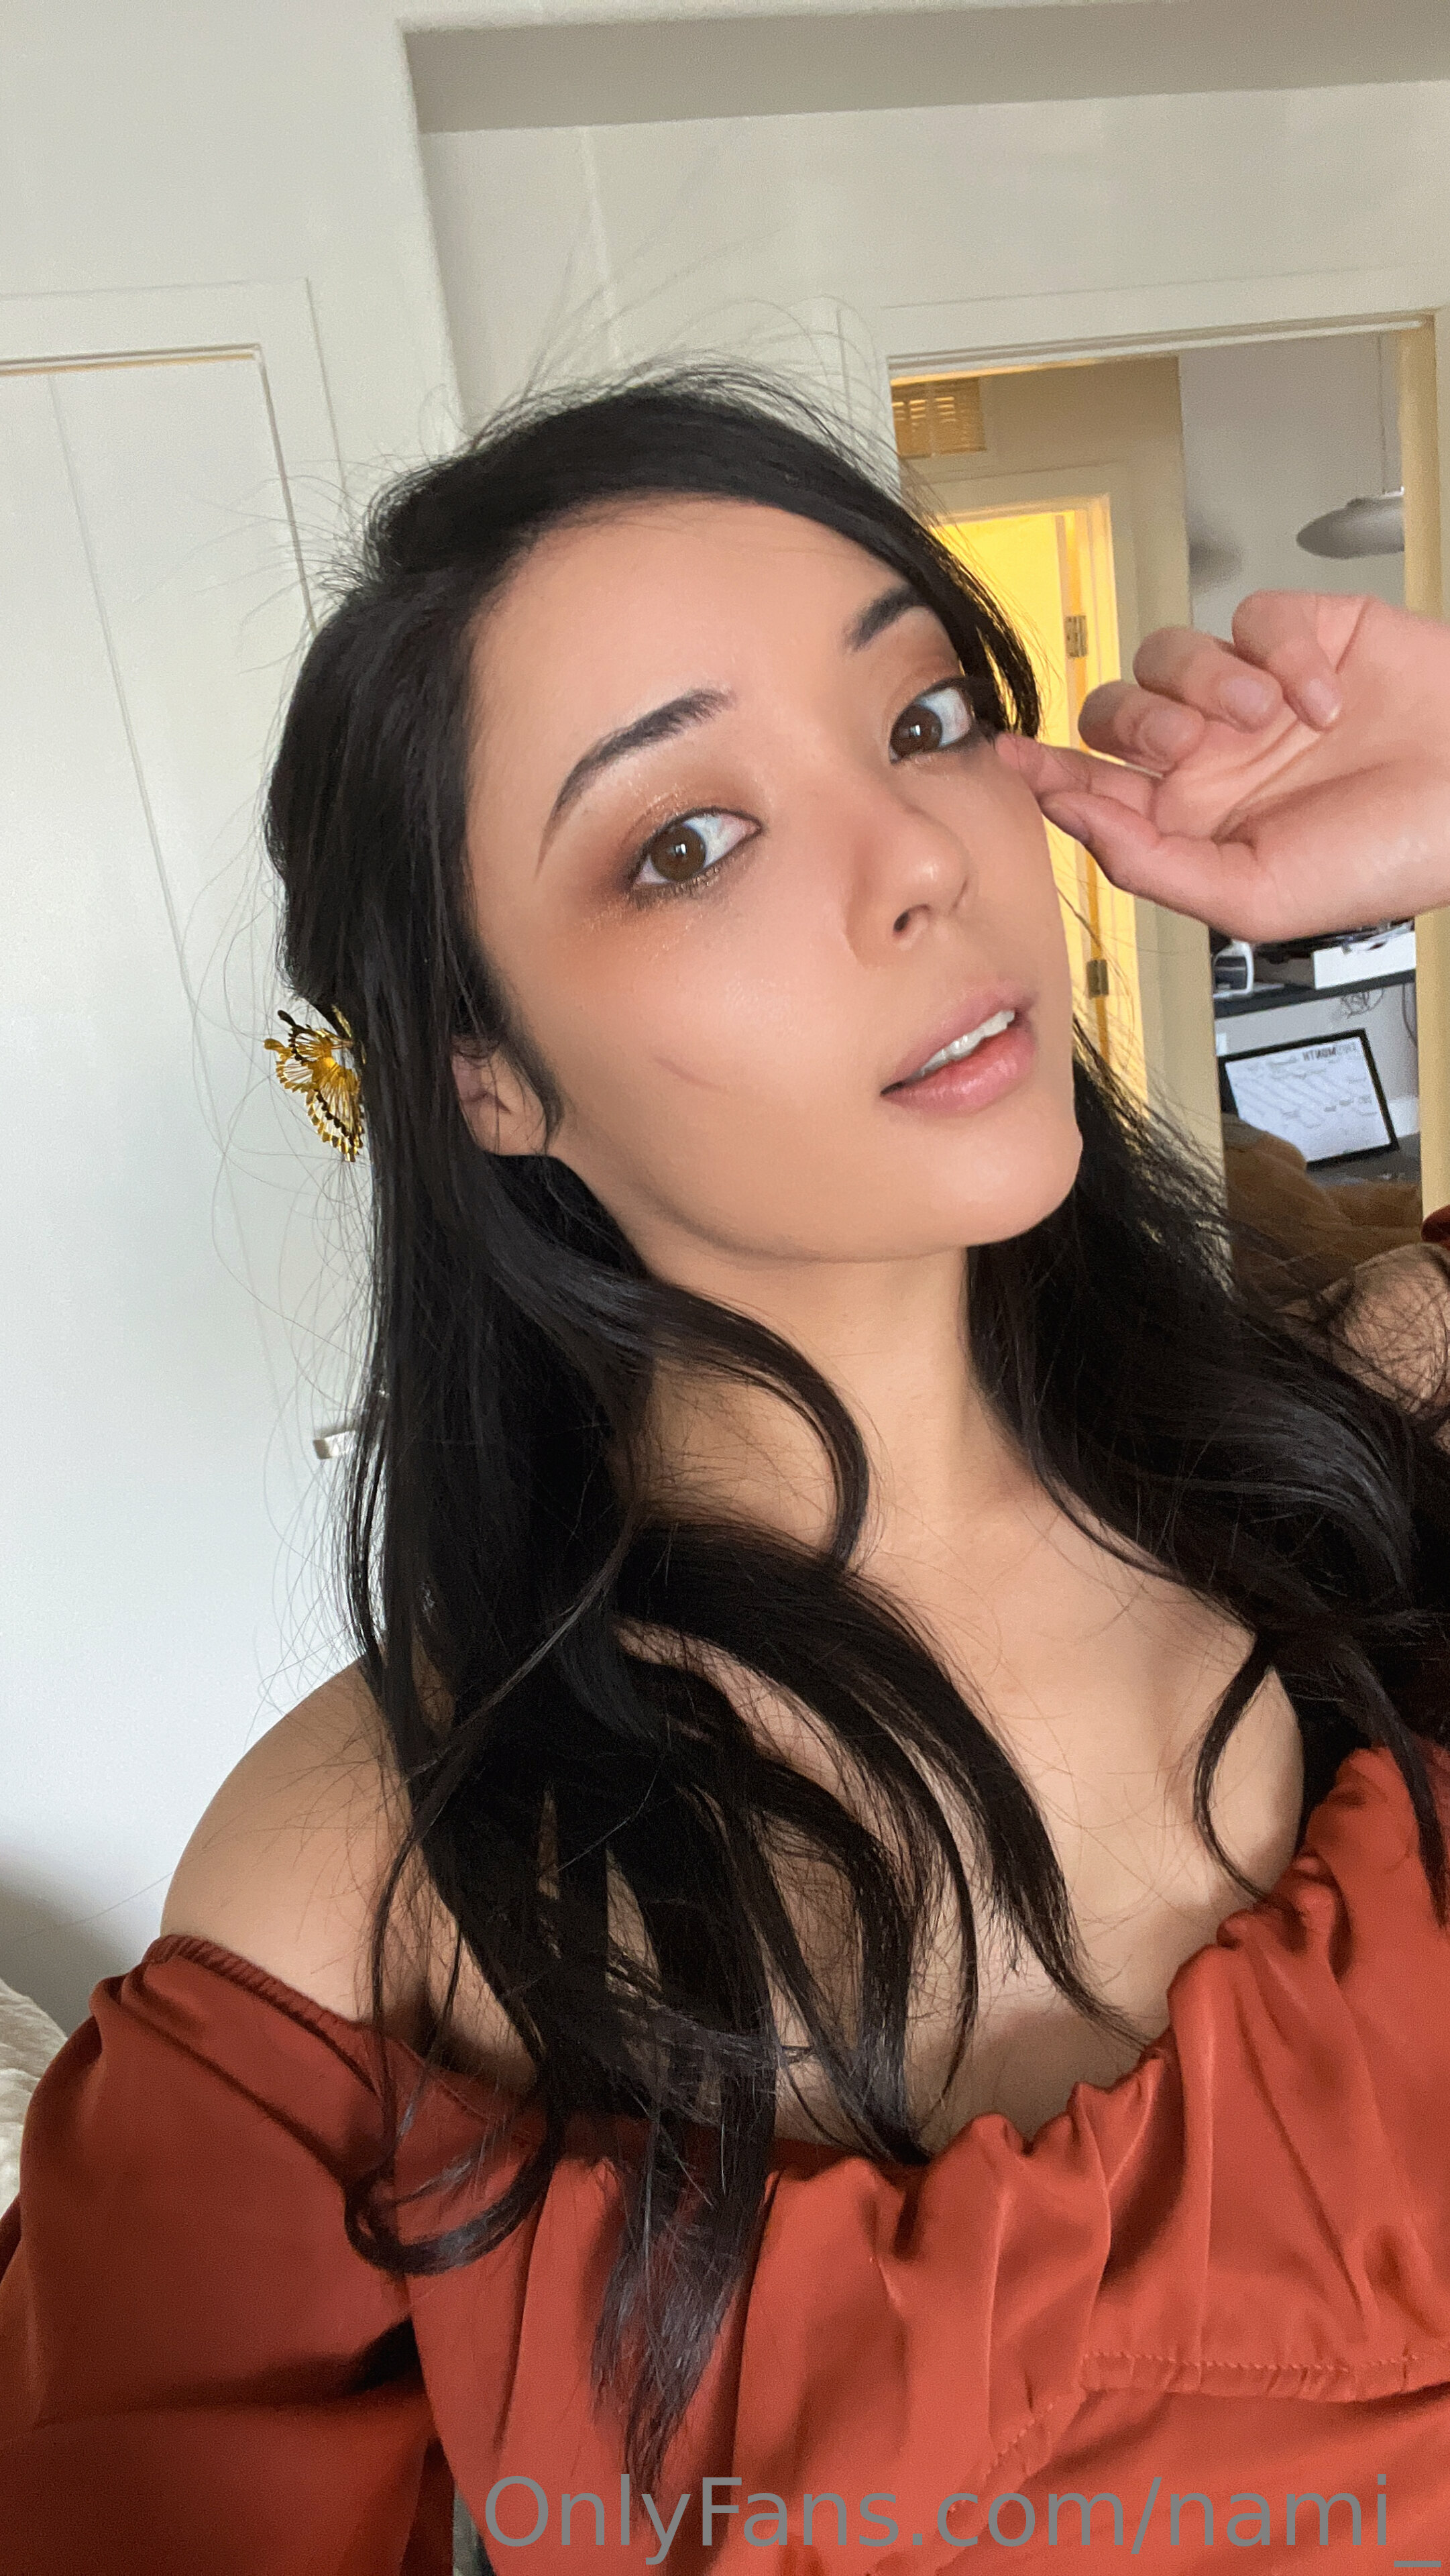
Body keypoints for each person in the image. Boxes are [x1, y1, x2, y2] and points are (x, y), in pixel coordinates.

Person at [4, 364, 1450, 2575]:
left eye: (921, 721)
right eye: (684, 841)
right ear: (483, 1071)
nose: (921, 862)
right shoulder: (365, 1891)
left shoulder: (1376, 1432)